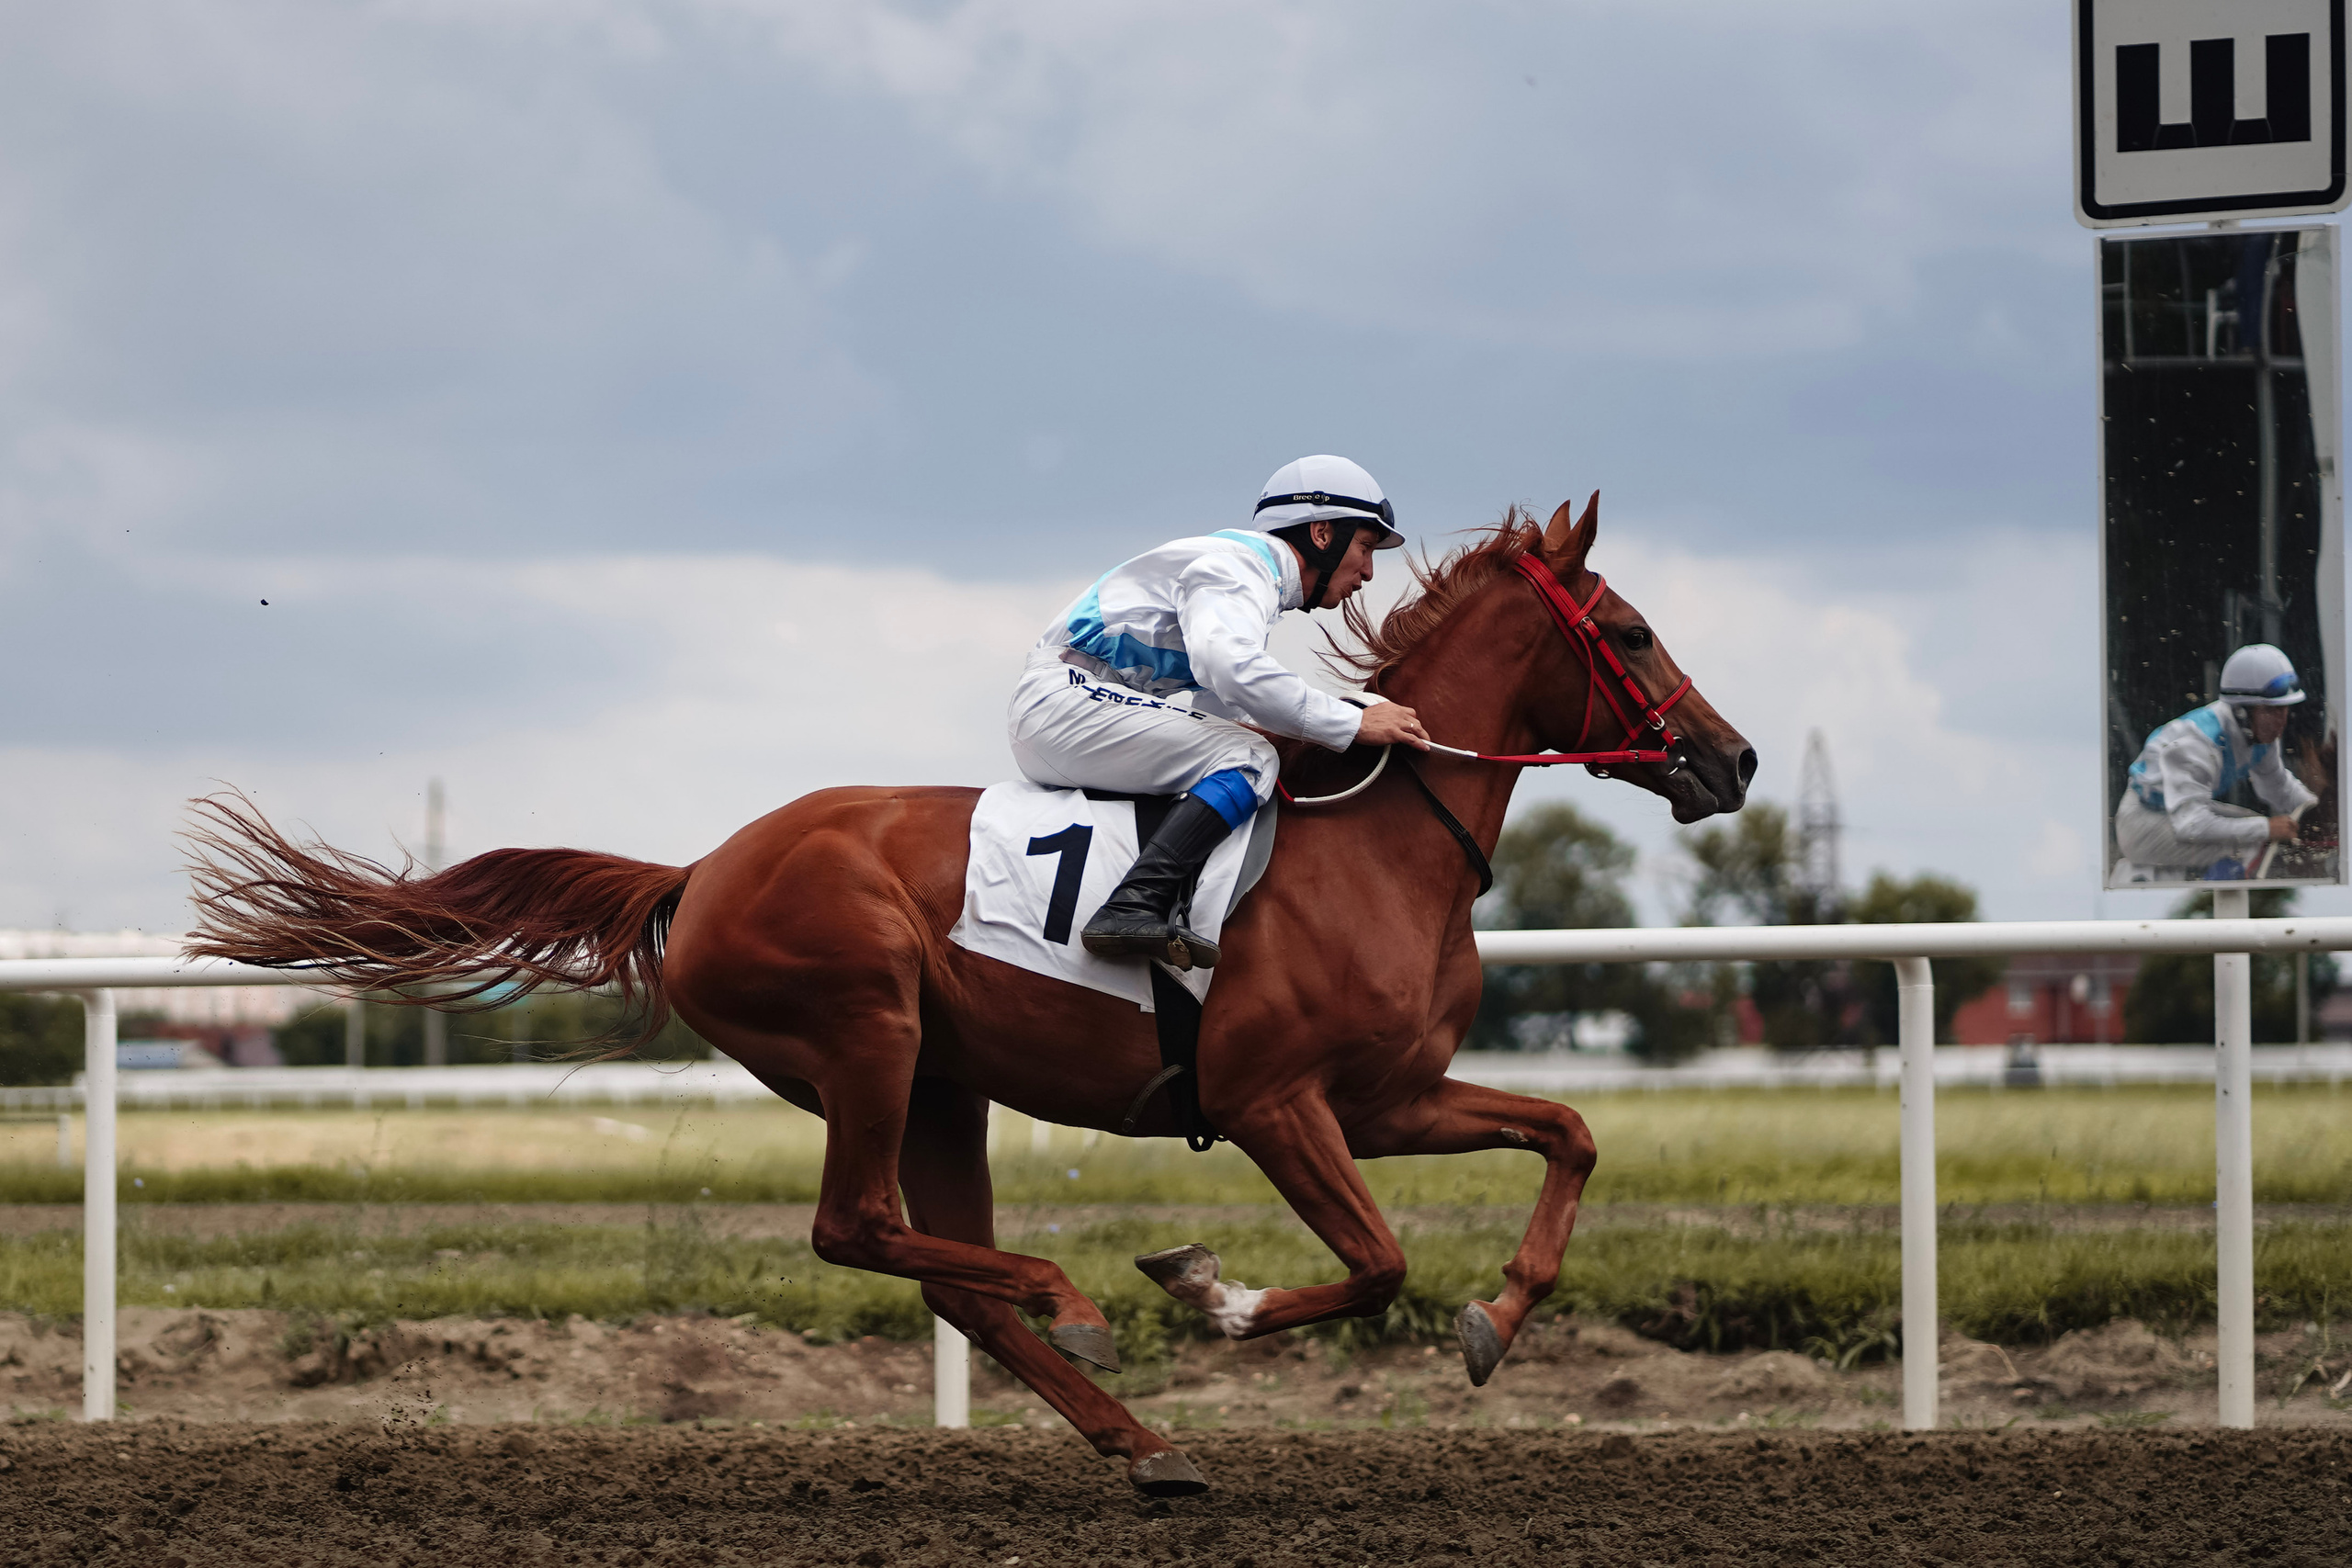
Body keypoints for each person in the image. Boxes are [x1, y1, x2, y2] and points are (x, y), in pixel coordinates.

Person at [1008, 455, 1432, 969]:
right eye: (1365, 547)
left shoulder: (1247, 577)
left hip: (1069, 706)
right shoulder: (1239, 567)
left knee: (1241, 749)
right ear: (1322, 533)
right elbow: (1231, 669)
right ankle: (1132, 906)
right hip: (1066, 701)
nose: (1367, 572)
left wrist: (1331, 721)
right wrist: (1352, 723)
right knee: (1250, 758)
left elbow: (1223, 709)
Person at [2115, 643, 2318, 879]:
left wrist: (2318, 810)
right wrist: (2266, 828)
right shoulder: (2197, 743)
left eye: (2283, 709)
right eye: (2270, 711)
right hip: (2141, 825)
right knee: (2253, 842)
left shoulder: (2260, 733)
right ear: (2241, 711)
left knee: (2254, 827)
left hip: (2176, 813)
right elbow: (2191, 825)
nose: (2281, 721)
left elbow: (2277, 786)